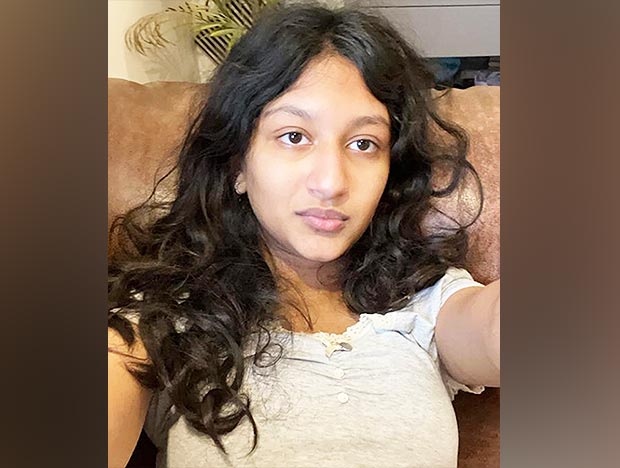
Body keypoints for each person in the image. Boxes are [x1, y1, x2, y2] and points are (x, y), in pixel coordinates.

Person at [108, 3, 500, 468]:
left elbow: (493, 331)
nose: (332, 182)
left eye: (363, 144)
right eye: (294, 136)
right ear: (237, 164)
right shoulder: (165, 312)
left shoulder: (423, 299)